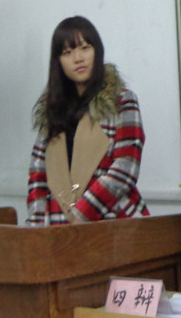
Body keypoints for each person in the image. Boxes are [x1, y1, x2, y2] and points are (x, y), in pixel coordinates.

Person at [26, 16, 149, 226]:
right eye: (67, 52)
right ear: (58, 62)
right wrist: (37, 232)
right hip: (59, 230)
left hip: (113, 223)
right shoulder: (52, 111)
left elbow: (126, 168)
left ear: (97, 51)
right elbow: (38, 176)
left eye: (84, 48)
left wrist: (81, 216)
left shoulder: (121, 101)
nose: (78, 58)